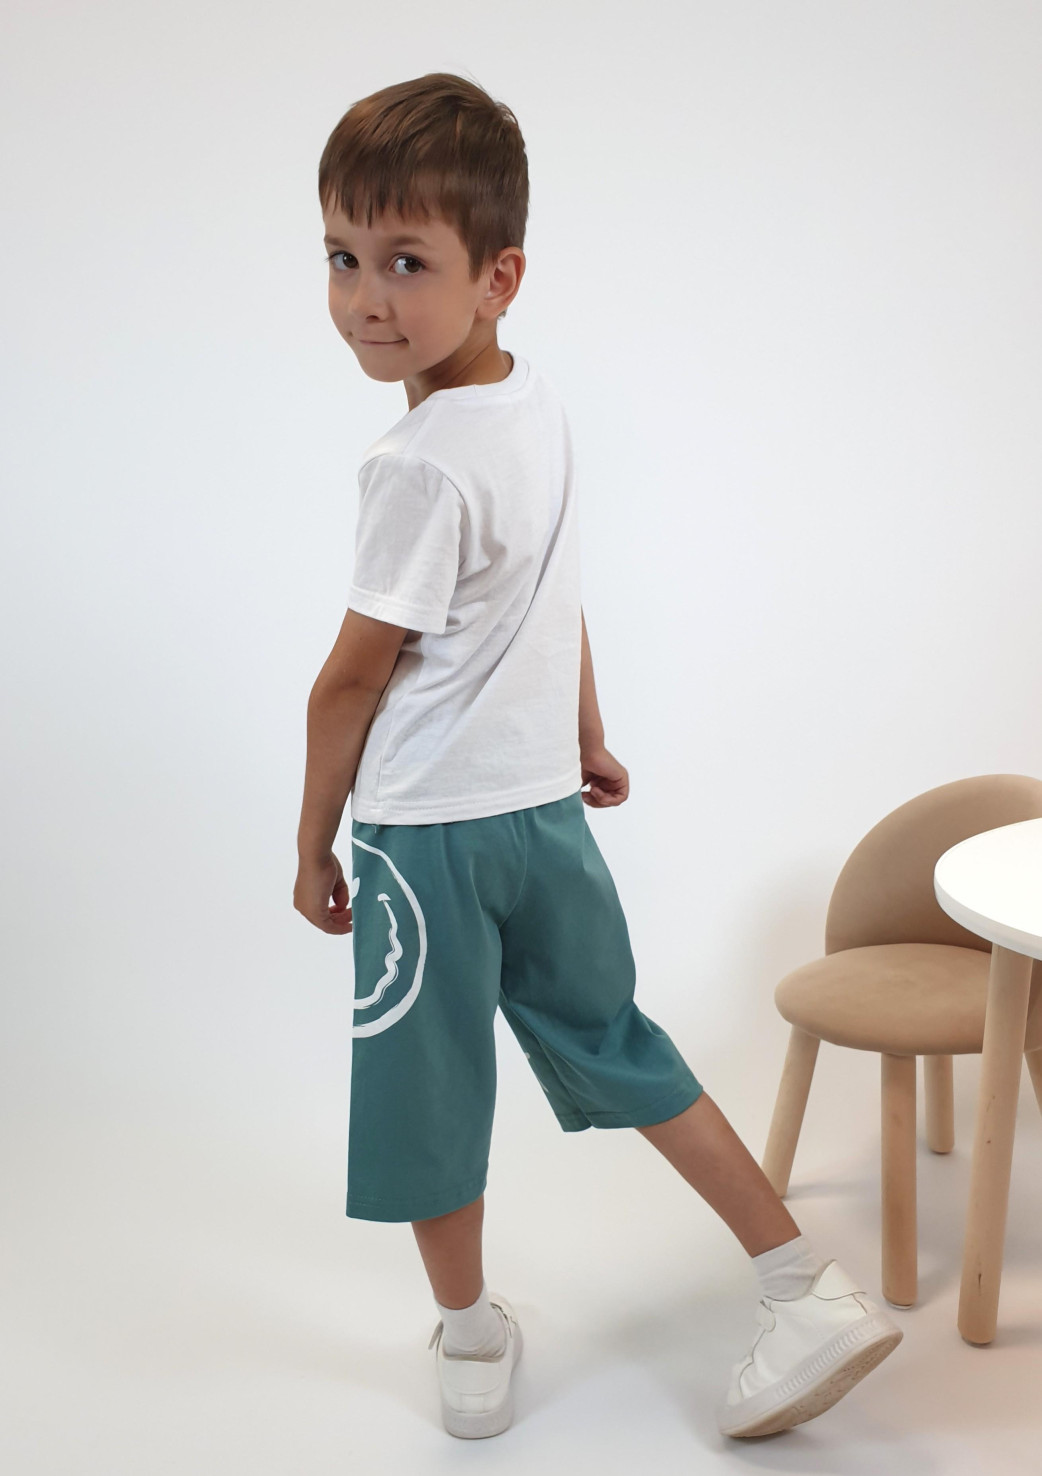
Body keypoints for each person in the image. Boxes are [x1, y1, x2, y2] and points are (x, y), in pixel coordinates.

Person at [293, 71, 902, 1443]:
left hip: (427, 837)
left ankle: (469, 1335)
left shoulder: (415, 464)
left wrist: (312, 837)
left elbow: (350, 682)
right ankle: (799, 1282)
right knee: (619, 1041)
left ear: (497, 276)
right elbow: (548, 590)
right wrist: (582, 732)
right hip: (541, 820)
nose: (366, 298)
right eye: (341, 256)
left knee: (429, 1094)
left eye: (406, 262)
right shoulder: (536, 407)